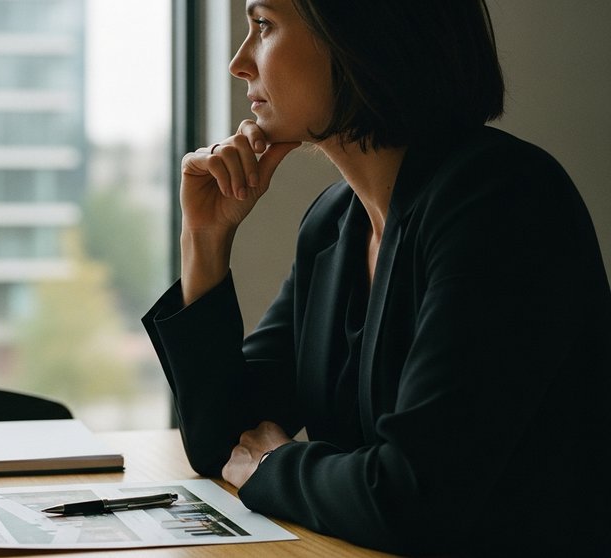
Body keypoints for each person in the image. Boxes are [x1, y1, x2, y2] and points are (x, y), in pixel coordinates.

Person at [142, 0, 611, 556]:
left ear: (357, 35)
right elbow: (224, 442)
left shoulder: (503, 203)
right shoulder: (334, 223)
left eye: (264, 25)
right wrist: (204, 238)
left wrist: (274, 463)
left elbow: (414, 497)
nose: (239, 62)